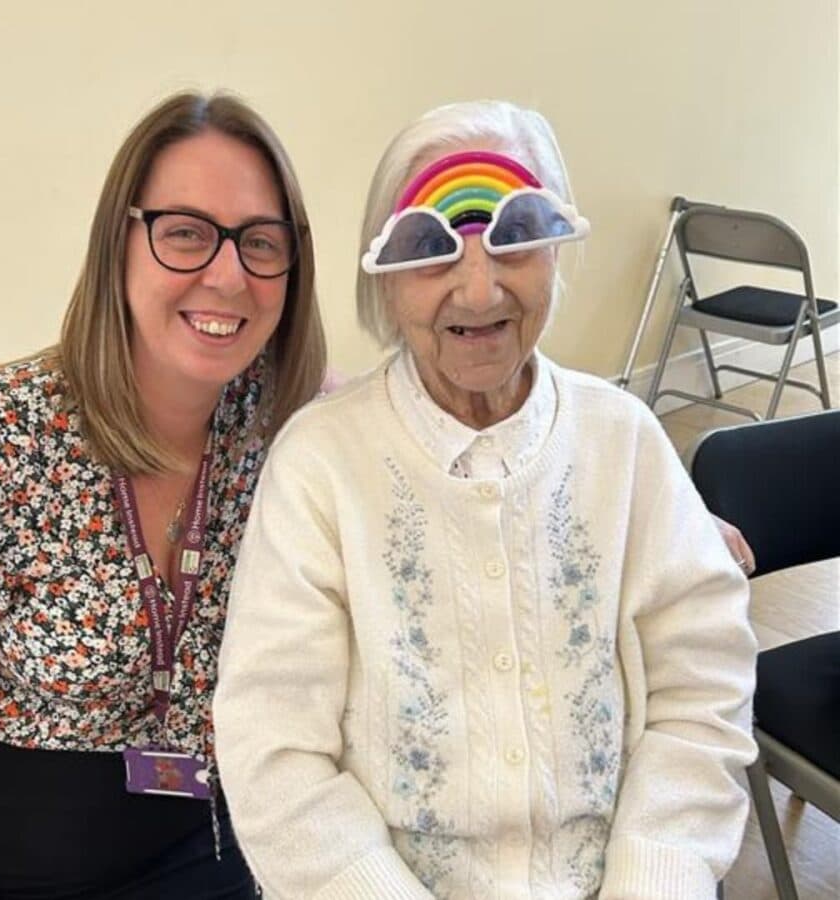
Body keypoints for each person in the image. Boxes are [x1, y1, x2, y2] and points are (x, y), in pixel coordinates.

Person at [213, 100, 759, 899]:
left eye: (515, 235)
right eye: (431, 248)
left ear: (556, 250)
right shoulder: (321, 463)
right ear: (387, 275)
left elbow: (701, 687)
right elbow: (275, 750)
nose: (478, 291)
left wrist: (656, 876)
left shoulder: (624, 440)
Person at [0, 90, 326, 899]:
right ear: (120, 244)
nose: (227, 274)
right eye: (185, 233)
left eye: (260, 242)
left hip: (203, 850)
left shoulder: (285, 432)